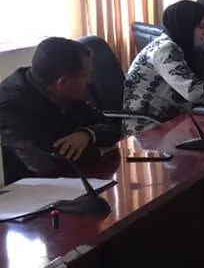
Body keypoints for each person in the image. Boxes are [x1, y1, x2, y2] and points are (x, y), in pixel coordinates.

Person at [0, 37, 121, 178]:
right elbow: (46, 164)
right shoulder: (11, 107)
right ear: (62, 83)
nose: (90, 81)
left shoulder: (56, 85)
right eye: (85, 76)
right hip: (29, 185)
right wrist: (94, 151)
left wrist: (87, 135)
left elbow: (112, 129)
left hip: (71, 177)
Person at [123, 0, 204, 125]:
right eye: (201, 26)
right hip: (149, 126)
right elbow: (193, 91)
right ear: (186, 27)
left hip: (168, 119)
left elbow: (194, 84)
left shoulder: (173, 45)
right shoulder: (165, 49)